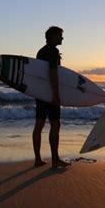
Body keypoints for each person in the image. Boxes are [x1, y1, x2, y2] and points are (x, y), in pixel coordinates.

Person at [32, 26, 71, 169]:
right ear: (53, 36)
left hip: (40, 93)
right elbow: (53, 73)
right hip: (49, 94)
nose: (62, 38)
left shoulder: (41, 51)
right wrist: (55, 94)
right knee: (55, 124)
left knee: (39, 125)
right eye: (60, 35)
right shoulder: (53, 51)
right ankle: (55, 159)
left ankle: (37, 159)